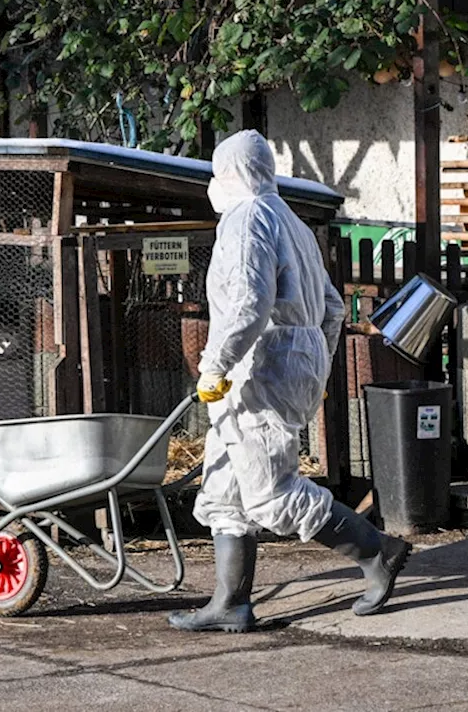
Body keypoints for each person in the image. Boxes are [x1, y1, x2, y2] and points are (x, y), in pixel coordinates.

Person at [169, 130, 411, 633]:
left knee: (269, 493)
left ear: (231, 174)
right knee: (224, 490)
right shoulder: (293, 222)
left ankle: (377, 552)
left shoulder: (246, 218)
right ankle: (230, 603)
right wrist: (313, 364)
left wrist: (215, 364)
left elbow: (245, 304)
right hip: (288, 360)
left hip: (258, 366)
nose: (214, 185)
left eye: (217, 174)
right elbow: (331, 306)